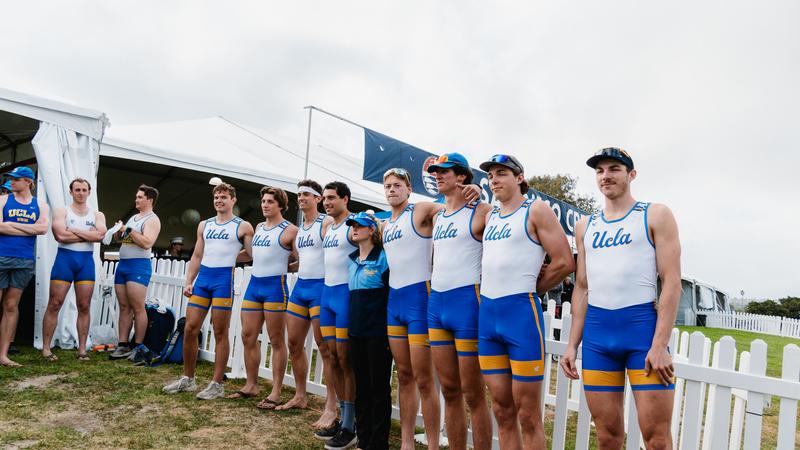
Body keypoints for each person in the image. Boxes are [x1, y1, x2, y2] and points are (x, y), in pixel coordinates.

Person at [559, 148, 681, 449]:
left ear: (631, 174)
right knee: (607, 436)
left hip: (642, 335)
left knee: (657, 439)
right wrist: (572, 345)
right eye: (600, 171)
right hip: (599, 338)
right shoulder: (584, 226)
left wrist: (660, 344)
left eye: (614, 168)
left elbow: (672, 281)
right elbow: (582, 287)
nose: (606, 176)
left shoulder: (655, 214)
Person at [478, 154, 575, 449]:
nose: (495, 179)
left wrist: (533, 288)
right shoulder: (490, 215)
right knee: (502, 410)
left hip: (520, 317)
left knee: (528, 414)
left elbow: (564, 262)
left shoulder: (536, 209)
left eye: (502, 173)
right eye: (491, 174)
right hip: (488, 319)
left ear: (519, 178)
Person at [426, 153, 493, 450]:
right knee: (449, 391)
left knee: (473, 394)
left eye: (446, 171)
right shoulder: (438, 214)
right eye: (437, 171)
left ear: (462, 177)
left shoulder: (481, 211)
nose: (439, 175)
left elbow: (511, 213)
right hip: (436, 304)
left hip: (467, 303)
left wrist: (483, 191)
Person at [163, 182, 254, 399]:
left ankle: (216, 384)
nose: (219, 201)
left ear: (233, 200)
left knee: (220, 332)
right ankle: (188, 378)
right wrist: (189, 281)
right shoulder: (205, 225)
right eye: (216, 197)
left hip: (223, 281)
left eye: (224, 197)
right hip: (203, 279)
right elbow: (196, 255)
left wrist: (232, 258)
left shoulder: (243, 226)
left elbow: (250, 255)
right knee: (190, 328)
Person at [231, 186, 297, 411]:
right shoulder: (259, 227)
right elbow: (250, 255)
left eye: (270, 201)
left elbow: (300, 259)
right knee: (248, 335)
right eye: (263, 201)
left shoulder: (290, 230)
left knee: (276, 340)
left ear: (280, 205)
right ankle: (251, 384)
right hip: (254, 285)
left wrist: (285, 266)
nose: (265, 205)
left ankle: (276, 391)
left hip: (275, 288)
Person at [279, 179, 338, 421]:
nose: (301, 197)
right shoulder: (299, 228)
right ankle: (301, 394)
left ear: (318, 199)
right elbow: (301, 259)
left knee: (325, 349)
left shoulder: (327, 222)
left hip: (321, 287)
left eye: (307, 194)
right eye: (299, 194)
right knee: (293, 343)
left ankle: (331, 405)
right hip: (300, 287)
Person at [333, 211, 391, 450]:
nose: (354, 228)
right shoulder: (352, 258)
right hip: (356, 332)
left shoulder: (384, 258)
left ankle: (378, 444)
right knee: (362, 388)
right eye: (352, 225)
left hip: (377, 334)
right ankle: (364, 439)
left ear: (372, 231)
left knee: (379, 389)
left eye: (360, 225)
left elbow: (389, 296)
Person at [41, 178, 107, 361]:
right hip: (65, 260)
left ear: (89, 192)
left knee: (84, 306)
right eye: (77, 189)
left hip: (85, 263)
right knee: (55, 303)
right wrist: (88, 235)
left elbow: (101, 235)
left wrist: (75, 231)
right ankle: (46, 348)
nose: (80, 193)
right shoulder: (63, 211)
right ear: (71, 192)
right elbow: (60, 235)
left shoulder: (97, 215)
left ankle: (82, 350)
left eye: (84, 190)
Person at [314, 181, 357, 443]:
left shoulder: (356, 224)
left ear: (345, 199)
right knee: (330, 356)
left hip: (346, 295)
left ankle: (351, 424)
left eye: (331, 198)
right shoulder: (329, 226)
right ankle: (342, 416)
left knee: (346, 359)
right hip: (327, 295)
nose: (327, 202)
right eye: (325, 199)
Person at [0, 166, 49, 367]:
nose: (12, 182)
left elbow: (43, 228)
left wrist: (13, 226)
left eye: (16, 179)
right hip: (2, 256)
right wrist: (29, 229)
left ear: (28, 182)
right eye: (11, 178)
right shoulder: (3, 200)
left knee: (11, 306)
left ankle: (3, 355)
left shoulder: (40, 204)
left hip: (25, 260)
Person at [108, 185, 161, 362]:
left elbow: (147, 242)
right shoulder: (134, 217)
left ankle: (139, 346)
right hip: (123, 264)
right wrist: (118, 234)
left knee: (138, 307)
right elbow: (128, 238)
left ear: (149, 200)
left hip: (139, 266)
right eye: (136, 197)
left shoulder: (152, 220)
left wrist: (129, 230)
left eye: (140, 197)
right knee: (124, 306)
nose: (136, 200)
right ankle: (123, 344)